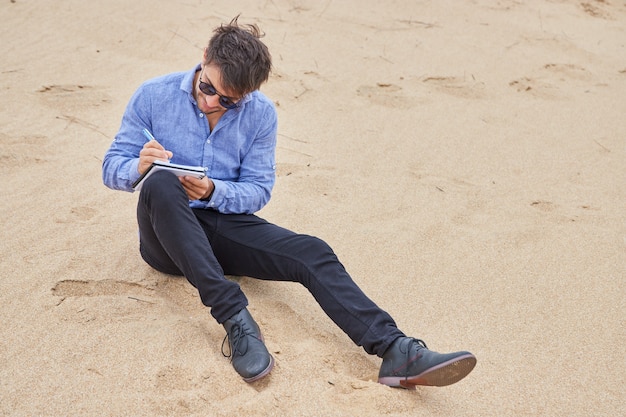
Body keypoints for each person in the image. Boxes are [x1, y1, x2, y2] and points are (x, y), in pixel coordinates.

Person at [102, 17, 476, 389]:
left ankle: (397, 350)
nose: (212, 102)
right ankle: (236, 320)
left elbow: (258, 189)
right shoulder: (153, 95)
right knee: (161, 185)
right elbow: (110, 167)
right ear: (204, 58)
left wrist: (214, 191)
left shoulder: (261, 114)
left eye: (228, 101)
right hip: (164, 237)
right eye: (207, 87)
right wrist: (139, 166)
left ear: (247, 94)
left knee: (312, 251)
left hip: (219, 225)